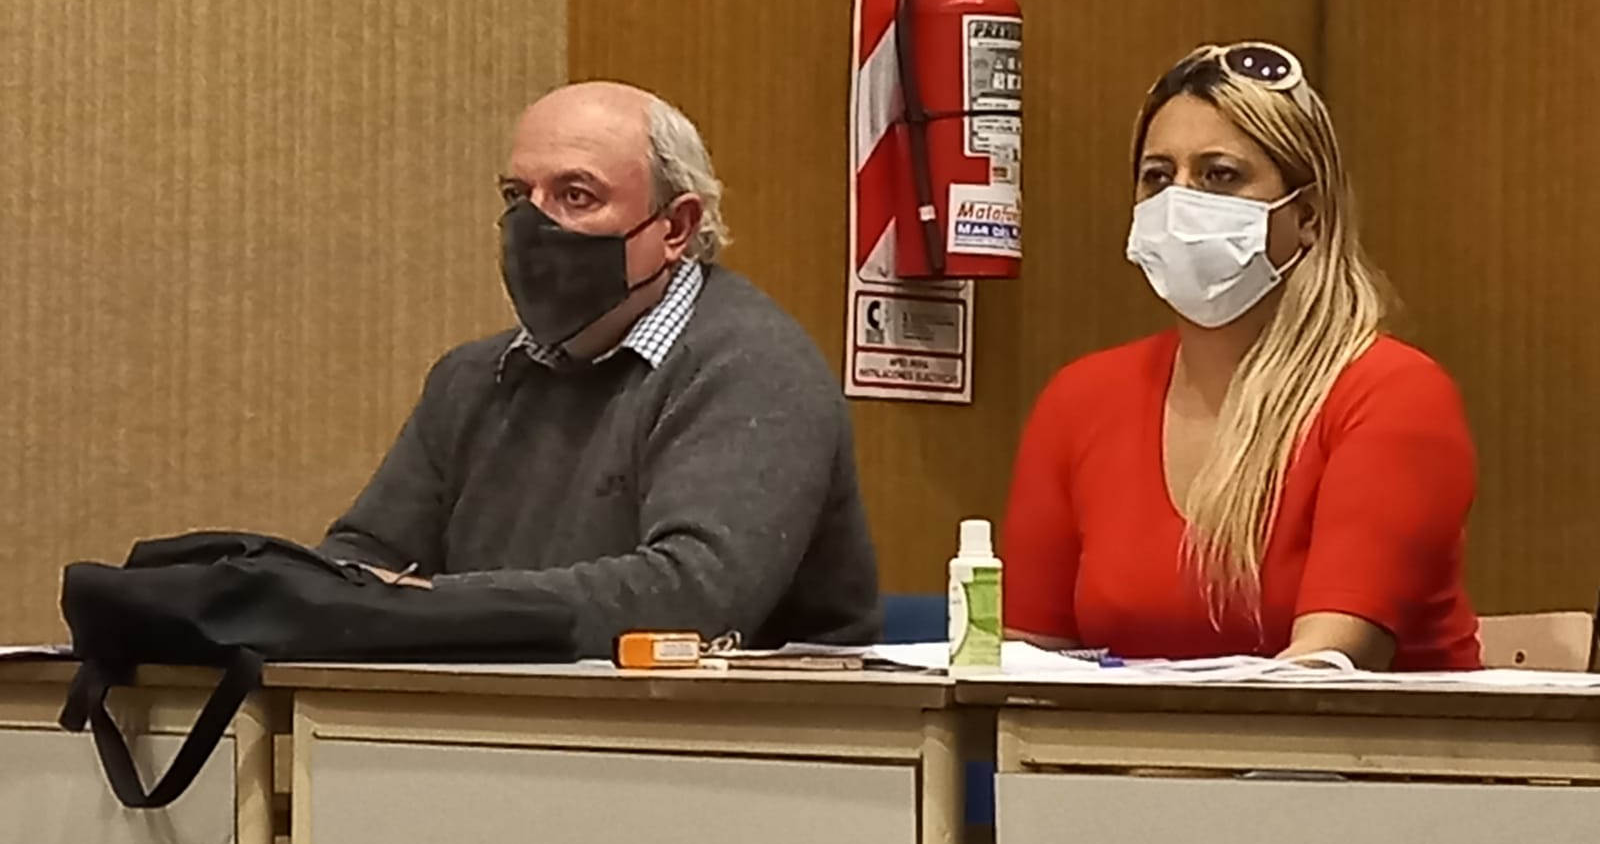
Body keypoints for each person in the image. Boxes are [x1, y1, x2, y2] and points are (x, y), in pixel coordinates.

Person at [318, 81, 880, 657]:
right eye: (517, 195)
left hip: (739, 714)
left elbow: (691, 600)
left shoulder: (754, 368)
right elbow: (354, 569)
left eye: (576, 196)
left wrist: (427, 606)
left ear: (676, 227)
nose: (532, 226)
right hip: (499, 707)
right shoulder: (470, 380)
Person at [1003, 42, 1479, 670]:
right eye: (1157, 176)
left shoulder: (1391, 394)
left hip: (1338, 735)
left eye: (1219, 175)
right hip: (1124, 738)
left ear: (1307, 215)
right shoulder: (1081, 400)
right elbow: (1024, 663)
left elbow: (1330, 664)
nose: (1178, 201)